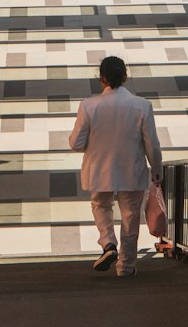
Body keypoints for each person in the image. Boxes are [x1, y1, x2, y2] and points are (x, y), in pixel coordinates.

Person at [68, 54, 163, 278]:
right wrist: (156, 173)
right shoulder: (142, 106)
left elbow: (76, 143)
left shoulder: (88, 106)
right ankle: (126, 267)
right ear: (125, 77)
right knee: (130, 217)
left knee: (100, 205)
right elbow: (153, 146)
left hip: (98, 171)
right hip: (132, 171)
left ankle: (108, 243)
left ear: (102, 79)